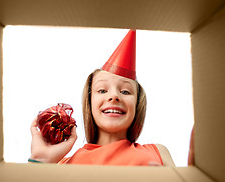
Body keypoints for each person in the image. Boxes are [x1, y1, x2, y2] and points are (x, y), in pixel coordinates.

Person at [29, 30, 176, 166]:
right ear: (89, 102)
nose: (114, 96)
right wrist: (42, 159)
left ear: (137, 104)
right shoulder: (66, 164)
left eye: (125, 92)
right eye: (102, 90)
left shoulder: (158, 154)